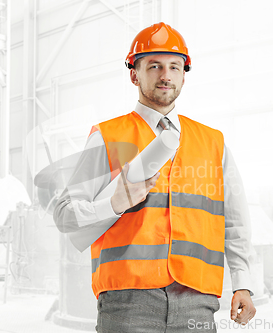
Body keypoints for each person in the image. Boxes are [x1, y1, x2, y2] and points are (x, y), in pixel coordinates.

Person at [53, 22, 256, 332]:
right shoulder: (109, 137)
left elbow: (235, 221)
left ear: (184, 75)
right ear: (134, 74)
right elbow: (65, 215)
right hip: (127, 301)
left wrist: (243, 283)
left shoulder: (212, 142)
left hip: (197, 299)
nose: (166, 75)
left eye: (175, 66)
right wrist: (114, 203)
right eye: (155, 66)